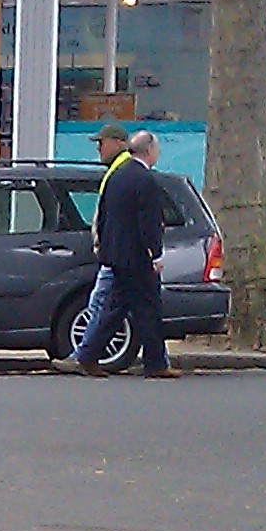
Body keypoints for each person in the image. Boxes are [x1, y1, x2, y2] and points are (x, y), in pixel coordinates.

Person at [75, 124, 175, 380]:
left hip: (116, 256)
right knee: (149, 309)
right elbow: (149, 223)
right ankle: (155, 364)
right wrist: (156, 254)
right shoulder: (146, 180)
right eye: (157, 150)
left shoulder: (116, 176)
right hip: (138, 257)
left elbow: (104, 217)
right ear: (149, 151)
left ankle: (88, 355)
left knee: (115, 308)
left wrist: (106, 250)